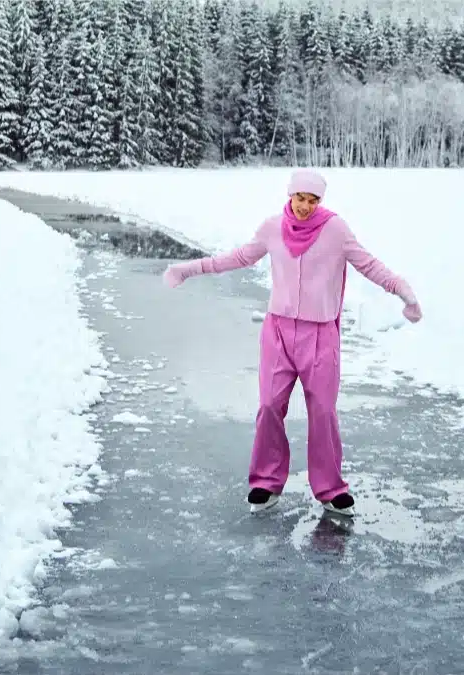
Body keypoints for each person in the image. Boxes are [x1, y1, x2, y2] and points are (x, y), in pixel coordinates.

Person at [162, 169, 421, 517]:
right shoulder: (272, 228)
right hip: (279, 332)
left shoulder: (335, 230)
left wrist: (403, 292)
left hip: (320, 335)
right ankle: (266, 481)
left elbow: (369, 265)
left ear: (320, 202)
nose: (304, 206)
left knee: (324, 411)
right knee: (269, 404)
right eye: (300, 198)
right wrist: (187, 270)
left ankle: (330, 488)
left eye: (312, 200)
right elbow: (237, 258)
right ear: (290, 196)